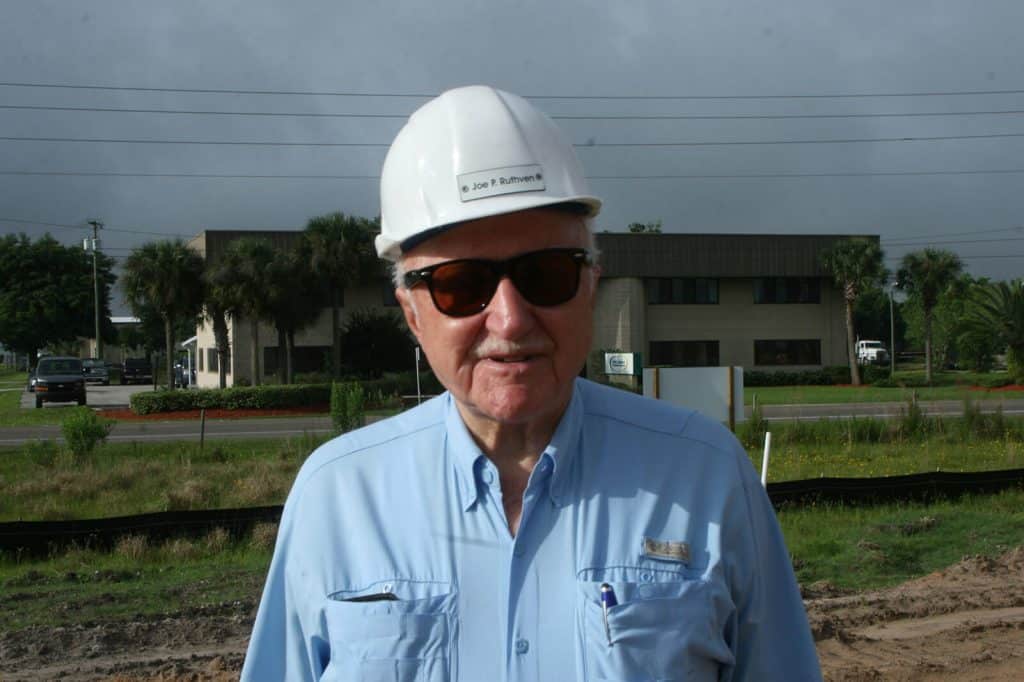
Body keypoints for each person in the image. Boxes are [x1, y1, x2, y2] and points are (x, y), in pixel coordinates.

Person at [241, 85, 821, 681]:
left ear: (591, 284)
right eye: (461, 285)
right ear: (412, 313)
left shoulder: (708, 476)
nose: (511, 319)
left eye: (545, 274)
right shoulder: (336, 499)